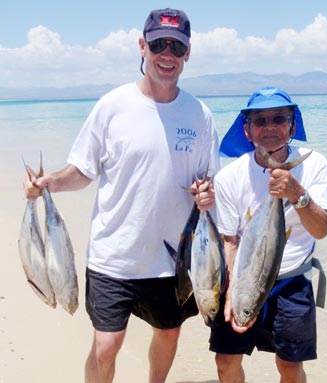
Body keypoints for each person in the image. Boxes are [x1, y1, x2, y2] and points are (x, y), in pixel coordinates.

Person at [24, 8, 220, 383]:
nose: (167, 55)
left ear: (188, 54)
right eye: (159, 44)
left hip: (172, 260)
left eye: (176, 47)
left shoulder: (200, 115)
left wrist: (207, 195)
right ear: (142, 46)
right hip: (113, 255)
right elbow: (82, 171)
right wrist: (47, 183)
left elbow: (209, 182)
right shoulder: (112, 106)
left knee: (168, 333)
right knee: (106, 345)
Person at [209, 86, 327, 383]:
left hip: (291, 282)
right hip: (243, 280)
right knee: (225, 360)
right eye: (260, 121)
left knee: (290, 367)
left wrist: (296, 193)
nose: (270, 127)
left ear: (291, 124)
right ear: (247, 129)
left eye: (279, 118)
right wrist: (232, 293)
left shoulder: (314, 164)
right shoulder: (229, 177)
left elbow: (323, 229)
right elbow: (230, 241)